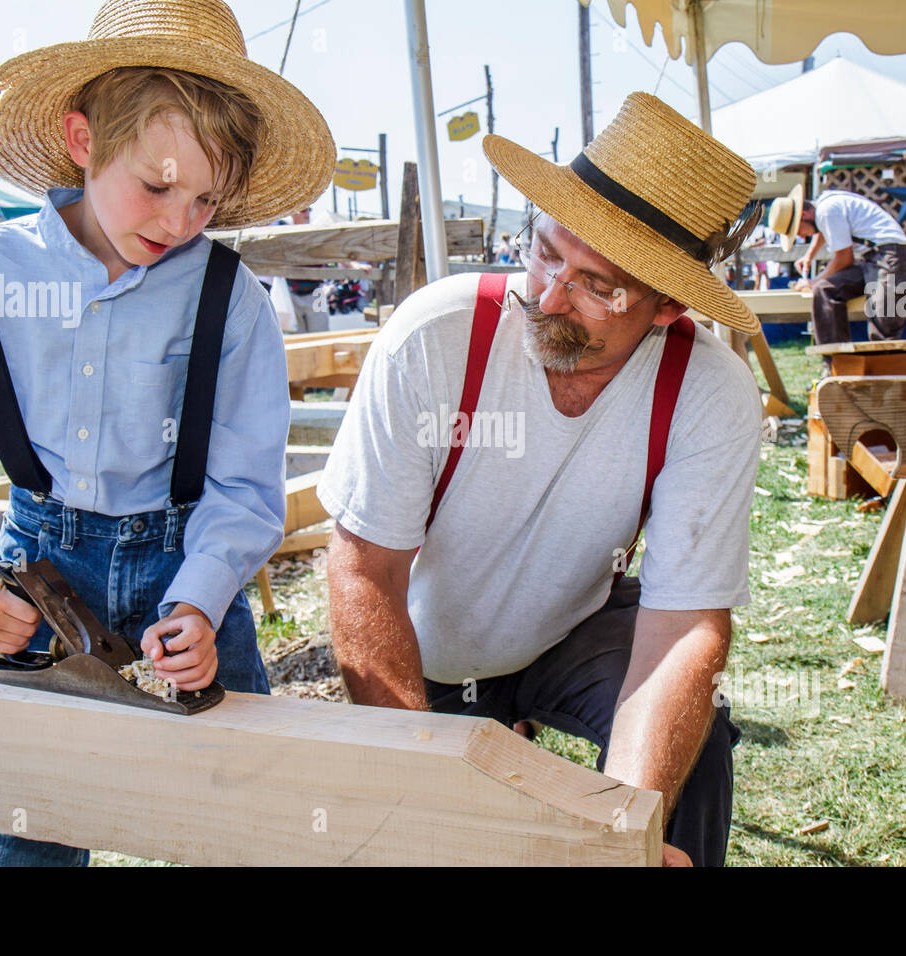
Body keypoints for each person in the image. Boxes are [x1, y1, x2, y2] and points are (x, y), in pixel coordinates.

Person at [0, 0, 333, 866]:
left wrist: (200, 597)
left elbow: (244, 483)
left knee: (245, 817)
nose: (180, 220)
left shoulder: (232, 300)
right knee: (31, 822)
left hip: (189, 565)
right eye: (156, 186)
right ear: (83, 140)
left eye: (205, 200)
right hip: (41, 572)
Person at [319, 92, 763, 867]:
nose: (550, 297)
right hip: (427, 648)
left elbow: (683, 626)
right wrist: (417, 777)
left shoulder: (708, 392)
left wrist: (625, 830)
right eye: (548, 252)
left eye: (598, 285)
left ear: (664, 308)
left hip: (572, 628)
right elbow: (365, 570)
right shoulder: (435, 339)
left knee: (697, 742)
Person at [768, 182, 906, 372]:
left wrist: (812, 282)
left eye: (798, 230)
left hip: (892, 257)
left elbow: (844, 259)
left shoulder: (828, 210)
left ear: (804, 215)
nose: (801, 236)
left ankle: (885, 377)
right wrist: (809, 255)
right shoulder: (823, 208)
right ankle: (836, 366)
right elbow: (823, 230)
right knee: (825, 290)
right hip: (871, 259)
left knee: (883, 319)